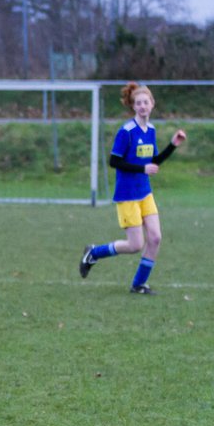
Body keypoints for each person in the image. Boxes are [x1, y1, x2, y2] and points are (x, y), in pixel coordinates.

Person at [79, 82, 186, 294]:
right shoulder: (126, 131)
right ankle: (93, 253)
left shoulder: (151, 130)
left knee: (155, 238)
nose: (143, 106)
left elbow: (152, 161)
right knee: (135, 245)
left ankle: (138, 285)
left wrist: (173, 145)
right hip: (127, 195)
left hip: (144, 193)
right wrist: (142, 168)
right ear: (133, 107)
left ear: (152, 104)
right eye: (139, 103)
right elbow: (114, 161)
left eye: (146, 102)